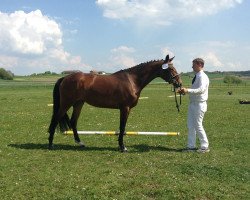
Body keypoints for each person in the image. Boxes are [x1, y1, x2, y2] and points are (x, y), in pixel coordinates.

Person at [178, 58, 210, 153]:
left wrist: (188, 90)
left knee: (198, 125)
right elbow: (195, 89)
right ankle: (191, 146)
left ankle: (205, 146)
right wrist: (185, 92)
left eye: (194, 64)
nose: (192, 66)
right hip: (193, 104)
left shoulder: (202, 77)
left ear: (199, 64)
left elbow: (201, 90)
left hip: (199, 105)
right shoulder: (197, 76)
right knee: (190, 125)